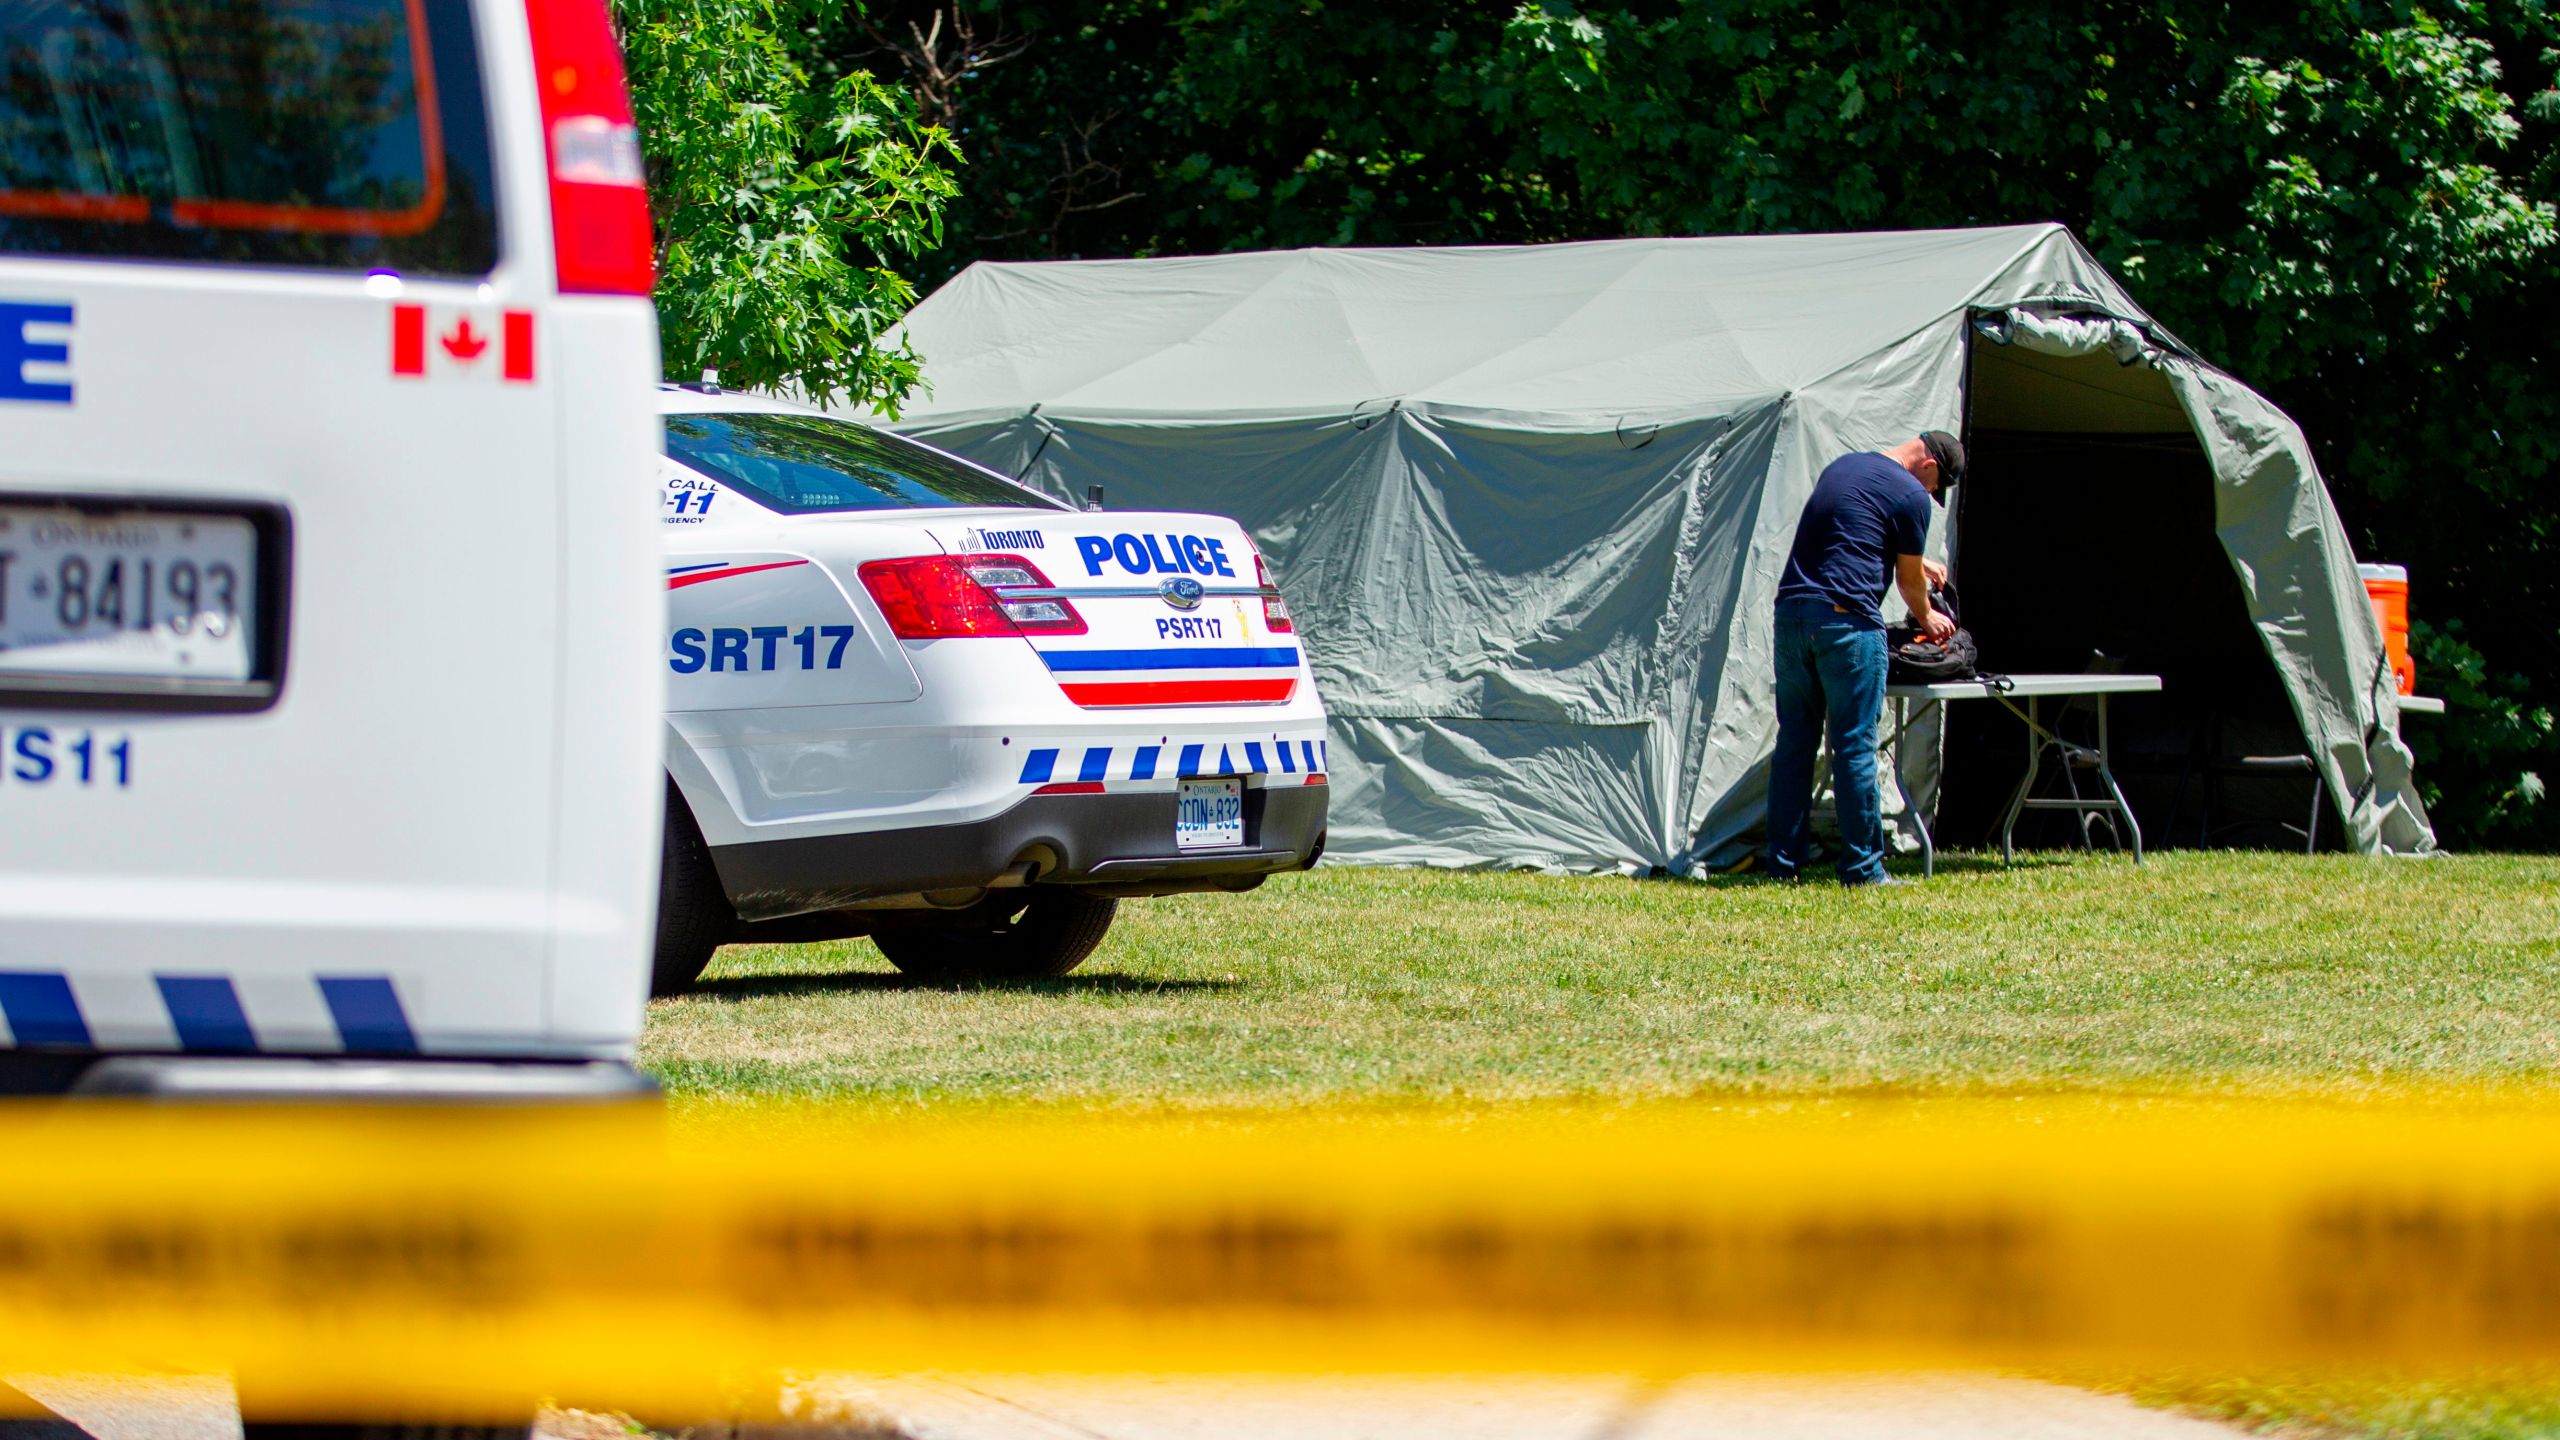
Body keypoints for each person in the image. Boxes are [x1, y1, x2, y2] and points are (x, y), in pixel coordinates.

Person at [1765, 430, 1964, 886]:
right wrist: (1929, 617)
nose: (1932, 495)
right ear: (1930, 466)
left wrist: (1919, 564)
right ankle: (1862, 869)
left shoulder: (1844, 466)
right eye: (1938, 486)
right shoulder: (1911, 494)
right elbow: (1909, 585)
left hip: (1792, 617)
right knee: (1854, 745)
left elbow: (1851, 540)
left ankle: (1783, 865)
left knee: (1795, 743)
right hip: (1846, 624)